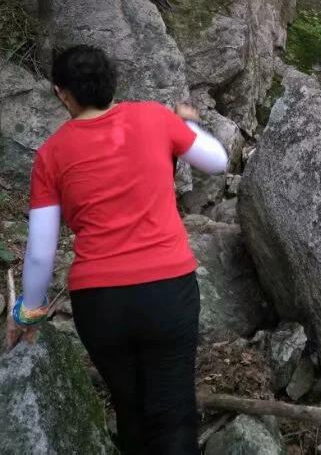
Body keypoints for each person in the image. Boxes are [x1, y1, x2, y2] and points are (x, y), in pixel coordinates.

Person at [9, 44, 228, 455]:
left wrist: (26, 313)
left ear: (63, 94)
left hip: (99, 302)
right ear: (112, 84)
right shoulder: (154, 117)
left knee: (131, 410)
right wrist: (187, 124)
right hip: (168, 291)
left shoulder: (51, 154)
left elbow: (41, 252)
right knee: (173, 412)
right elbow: (217, 162)